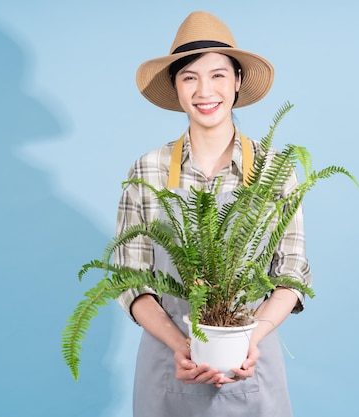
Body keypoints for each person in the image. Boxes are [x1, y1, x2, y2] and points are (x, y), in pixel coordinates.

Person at [114, 11, 312, 416]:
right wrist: (182, 347)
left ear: (238, 82)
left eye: (218, 75)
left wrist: (248, 340)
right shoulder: (147, 170)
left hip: (250, 364)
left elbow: (291, 272)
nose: (205, 90)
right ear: (176, 86)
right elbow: (130, 278)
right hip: (170, 365)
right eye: (189, 77)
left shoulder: (274, 171)